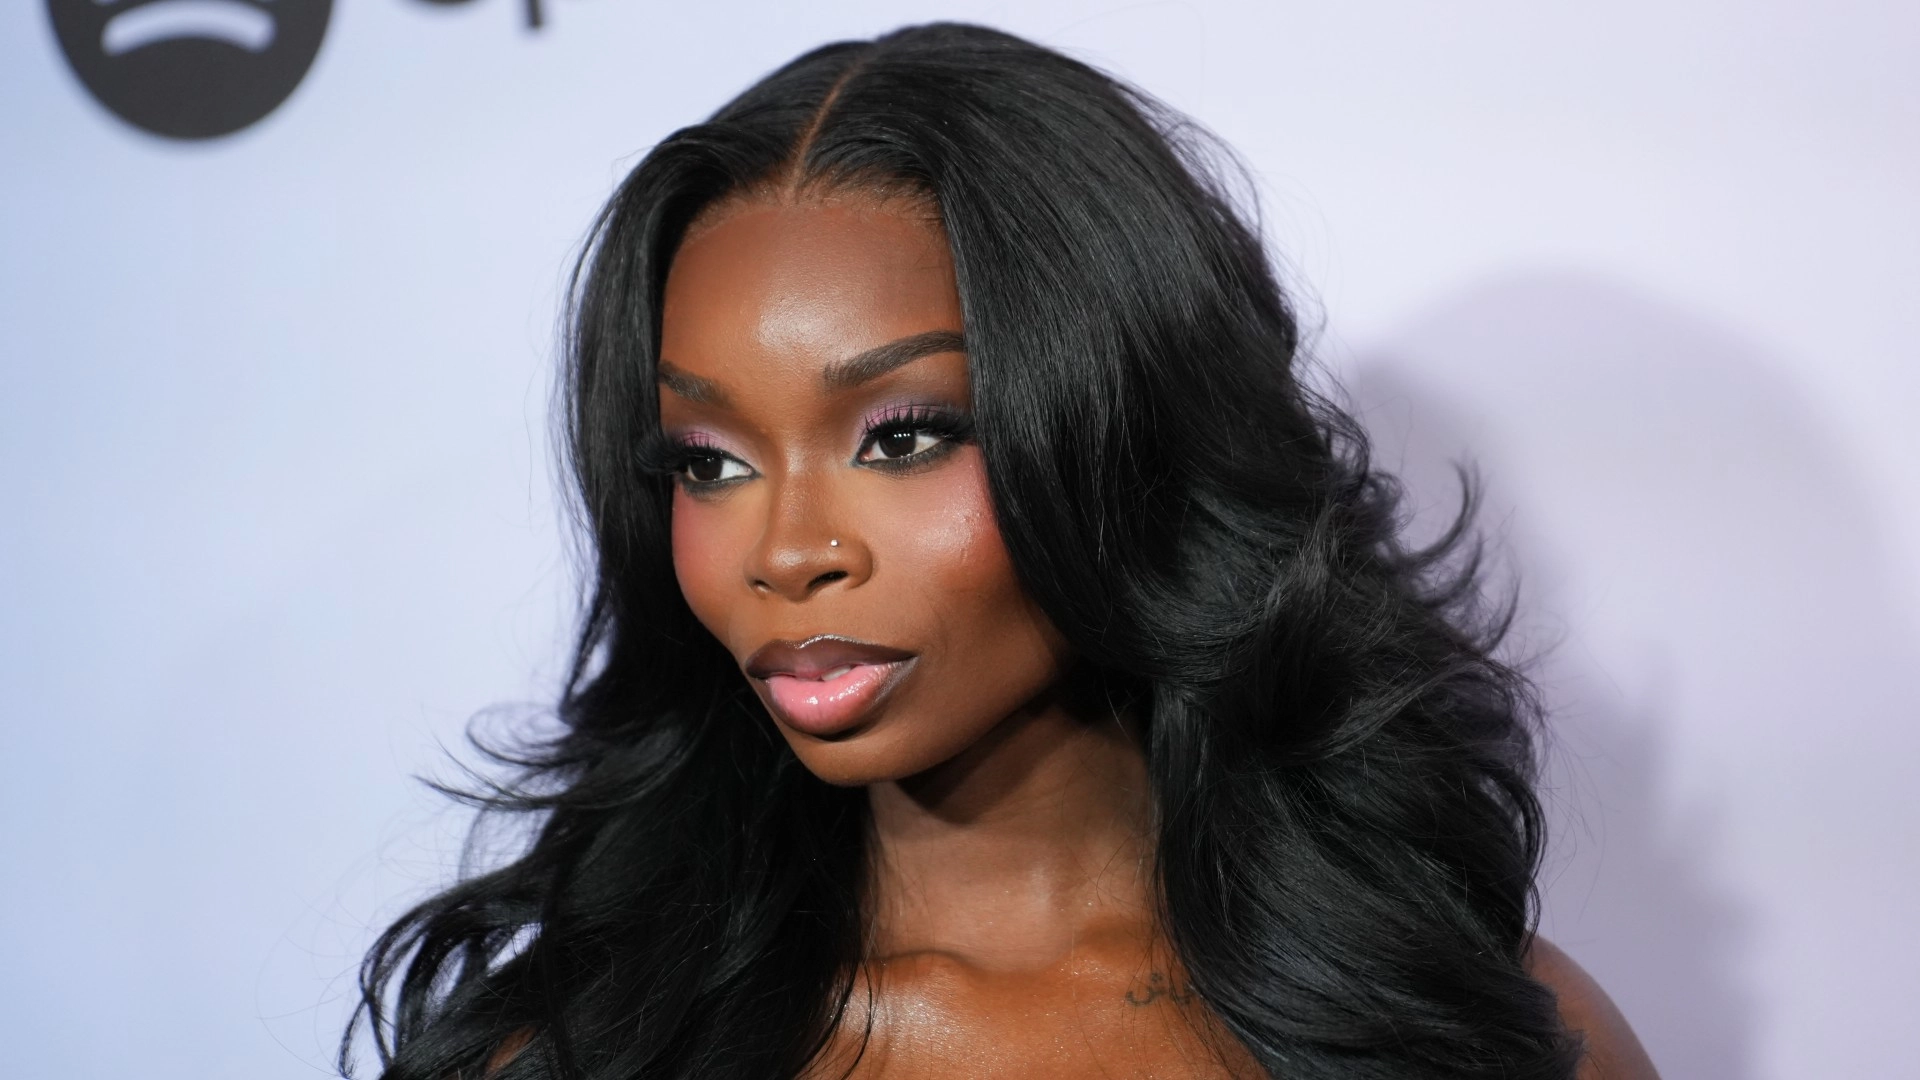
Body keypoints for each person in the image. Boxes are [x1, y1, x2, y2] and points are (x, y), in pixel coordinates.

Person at [345, 22, 1659, 1080]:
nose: (786, 552)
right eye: (710, 462)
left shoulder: (1480, 1032)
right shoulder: (580, 1052)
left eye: (904, 437)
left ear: (1129, 430)